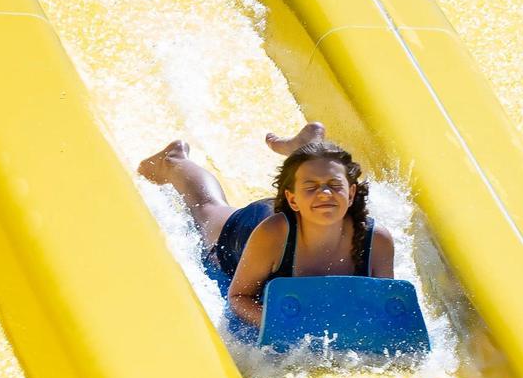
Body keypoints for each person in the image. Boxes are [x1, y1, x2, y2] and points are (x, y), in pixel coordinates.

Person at [138, 124, 394, 329]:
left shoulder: (376, 240)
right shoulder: (271, 235)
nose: (326, 193)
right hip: (256, 226)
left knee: (313, 177)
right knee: (208, 208)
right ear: (291, 198)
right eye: (312, 186)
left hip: (300, 211)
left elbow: (384, 306)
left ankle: (307, 147)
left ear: (351, 194)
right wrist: (281, 325)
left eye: (335, 186)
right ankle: (173, 160)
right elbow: (239, 297)